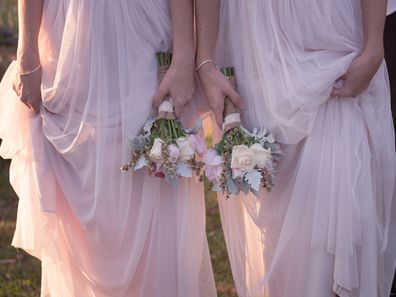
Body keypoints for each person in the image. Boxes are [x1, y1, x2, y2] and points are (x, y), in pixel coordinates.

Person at [0, 0, 216, 296]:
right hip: (70, 36)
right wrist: (27, 51)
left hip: (144, 29)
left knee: (152, 180)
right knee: (83, 195)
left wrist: (183, 56)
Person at [196, 0, 396, 296]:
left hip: (334, 37)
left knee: (340, 211)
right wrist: (206, 61)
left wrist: (374, 45)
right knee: (278, 218)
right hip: (260, 42)